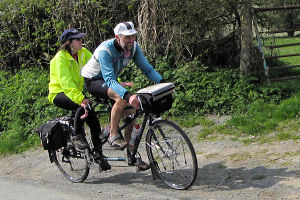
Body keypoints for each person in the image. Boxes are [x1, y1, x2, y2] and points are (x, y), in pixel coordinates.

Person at [81, 21, 165, 152]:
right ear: (117, 37)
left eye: (133, 36)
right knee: (122, 98)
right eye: (127, 37)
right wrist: (127, 95)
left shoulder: (134, 48)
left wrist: (162, 82)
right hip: (93, 80)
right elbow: (109, 79)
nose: (131, 40)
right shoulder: (105, 50)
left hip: (110, 80)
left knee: (130, 115)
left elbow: (147, 69)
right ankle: (112, 135)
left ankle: (132, 154)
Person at [48, 28, 111, 171]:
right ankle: (76, 135)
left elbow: (100, 69)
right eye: (78, 39)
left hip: (75, 92)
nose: (81, 41)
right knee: (80, 106)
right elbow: (66, 83)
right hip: (59, 93)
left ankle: (99, 156)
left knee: (94, 121)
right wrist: (81, 99)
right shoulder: (60, 59)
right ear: (69, 43)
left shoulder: (83, 53)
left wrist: (115, 83)